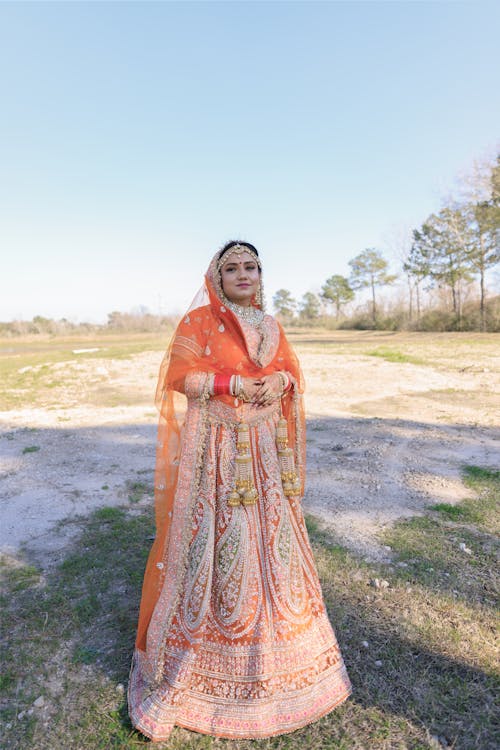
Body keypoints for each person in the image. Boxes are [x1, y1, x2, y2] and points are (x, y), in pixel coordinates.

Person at [127, 240, 353, 742]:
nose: (243, 274)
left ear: (260, 275)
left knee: (276, 547)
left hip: (266, 460)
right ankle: (202, 665)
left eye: (251, 266)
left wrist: (282, 383)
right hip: (220, 455)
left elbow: (290, 371)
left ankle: (293, 662)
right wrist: (230, 384)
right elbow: (179, 375)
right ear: (217, 276)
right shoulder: (200, 322)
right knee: (220, 544)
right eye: (232, 268)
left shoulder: (271, 325)